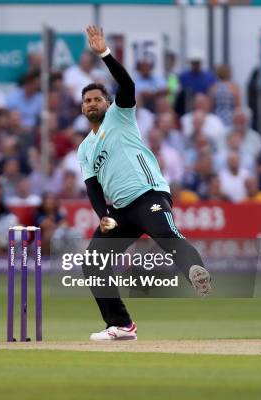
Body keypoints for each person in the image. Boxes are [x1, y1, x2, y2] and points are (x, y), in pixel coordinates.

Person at [77, 26, 211, 342]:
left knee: (165, 233)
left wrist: (105, 55)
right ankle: (122, 325)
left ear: (108, 103)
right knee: (92, 263)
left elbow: (127, 83)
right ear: (82, 108)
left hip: (147, 194)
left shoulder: (120, 116)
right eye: (87, 100)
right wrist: (102, 216)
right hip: (120, 210)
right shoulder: (84, 147)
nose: (92, 103)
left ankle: (195, 271)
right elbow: (93, 187)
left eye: (97, 98)